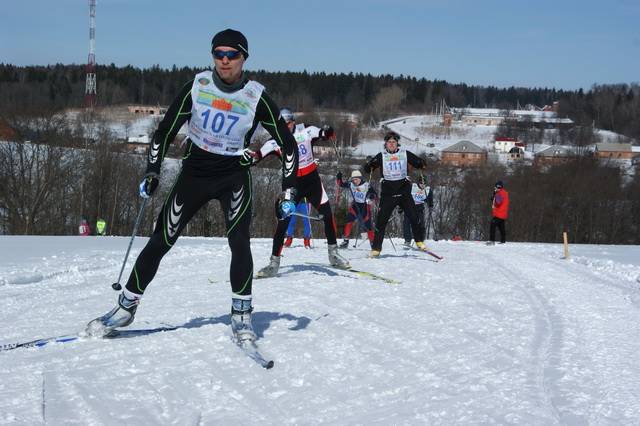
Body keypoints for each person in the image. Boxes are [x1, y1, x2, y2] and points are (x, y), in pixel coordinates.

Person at [86, 29, 298, 344]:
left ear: (244, 58)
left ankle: (241, 317)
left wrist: (289, 192)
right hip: (195, 174)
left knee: (239, 242)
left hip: (233, 176)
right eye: (218, 54)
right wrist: (152, 171)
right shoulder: (197, 88)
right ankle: (125, 307)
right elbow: (164, 131)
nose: (224, 61)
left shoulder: (256, 96)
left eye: (232, 55)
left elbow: (289, 145)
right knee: (161, 238)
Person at [255, 108, 350, 277]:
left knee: (327, 215)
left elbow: (322, 133)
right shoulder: (274, 140)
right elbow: (257, 156)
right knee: (283, 222)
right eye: (283, 125)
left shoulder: (304, 130)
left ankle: (333, 254)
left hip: (312, 181)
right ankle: (273, 263)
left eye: (289, 123)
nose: (287, 127)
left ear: (293, 122)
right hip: (292, 185)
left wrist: (328, 131)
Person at [363, 131, 429, 257]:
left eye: (394, 142)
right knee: (381, 221)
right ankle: (376, 249)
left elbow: (419, 163)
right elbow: (367, 168)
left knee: (414, 217)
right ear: (386, 144)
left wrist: (421, 163)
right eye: (389, 142)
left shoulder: (404, 153)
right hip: (388, 192)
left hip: (403, 190)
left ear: (397, 143)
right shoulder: (381, 156)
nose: (391, 144)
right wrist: (369, 165)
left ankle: (419, 241)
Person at [336, 170, 376, 248]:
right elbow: (340, 184)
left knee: (368, 225)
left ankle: (372, 243)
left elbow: (374, 195)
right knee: (349, 220)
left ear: (360, 178)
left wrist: (371, 197)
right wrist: (339, 177)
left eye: (356, 179)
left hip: (364, 206)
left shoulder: (366, 185)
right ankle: (345, 241)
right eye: (353, 179)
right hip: (355, 206)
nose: (355, 181)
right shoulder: (351, 184)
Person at [402, 181, 432, 248]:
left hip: (419, 209)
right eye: (421, 183)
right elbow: (404, 194)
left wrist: (430, 204)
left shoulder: (427, 190)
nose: (422, 185)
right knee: (406, 223)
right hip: (409, 208)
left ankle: (420, 240)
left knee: (421, 224)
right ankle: (407, 240)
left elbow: (430, 199)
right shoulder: (412, 187)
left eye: (424, 184)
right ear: (418, 183)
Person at [488, 180, 509, 245]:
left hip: (499, 214)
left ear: (498, 187)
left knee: (492, 225)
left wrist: (494, 196)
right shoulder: (504, 193)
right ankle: (503, 241)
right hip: (503, 213)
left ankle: (492, 241)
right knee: (501, 227)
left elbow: (498, 203)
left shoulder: (499, 193)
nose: (494, 189)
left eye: (495, 187)